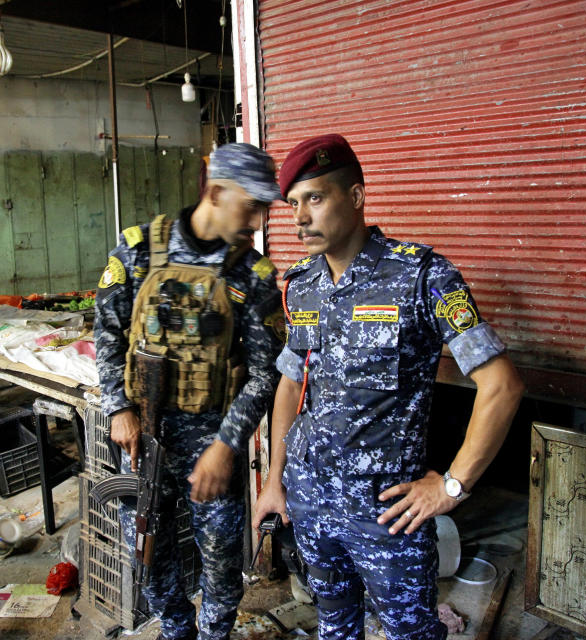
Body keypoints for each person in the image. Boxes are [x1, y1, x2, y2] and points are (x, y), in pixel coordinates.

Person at [252, 134, 525, 640]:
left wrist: (451, 485)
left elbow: (502, 386)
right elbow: (292, 382)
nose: (299, 218)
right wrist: (274, 481)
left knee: (411, 633)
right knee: (334, 625)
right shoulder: (304, 284)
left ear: (355, 196)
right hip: (310, 500)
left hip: (387, 513)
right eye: (292, 204)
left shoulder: (423, 276)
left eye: (315, 198)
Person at [95, 143, 286, 640]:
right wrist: (118, 407)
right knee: (149, 553)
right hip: (143, 438)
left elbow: (268, 373)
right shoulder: (138, 249)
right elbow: (108, 334)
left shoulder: (254, 275)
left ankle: (213, 634)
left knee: (222, 563)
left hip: (213, 441)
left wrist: (226, 446)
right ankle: (176, 630)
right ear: (217, 192)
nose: (260, 220)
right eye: (252, 205)